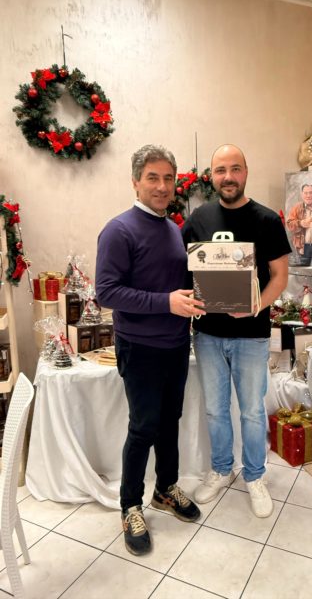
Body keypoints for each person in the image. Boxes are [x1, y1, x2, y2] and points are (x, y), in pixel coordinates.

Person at [95, 144, 206, 556]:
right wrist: (166, 302)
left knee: (169, 421)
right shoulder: (118, 230)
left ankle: (165, 489)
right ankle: (130, 505)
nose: (162, 186)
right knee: (143, 427)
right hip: (139, 347)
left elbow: (177, 285)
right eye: (153, 178)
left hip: (176, 345)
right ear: (135, 182)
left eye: (168, 178)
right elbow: (107, 292)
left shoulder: (174, 229)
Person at [182, 144, 291, 518]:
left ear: (246, 172)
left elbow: (280, 277)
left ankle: (255, 476)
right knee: (215, 410)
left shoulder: (267, 220)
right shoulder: (197, 220)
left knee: (252, 412)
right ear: (211, 176)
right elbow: (184, 271)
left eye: (235, 169)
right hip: (207, 335)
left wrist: (255, 305)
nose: (228, 177)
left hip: (252, 335)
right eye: (220, 170)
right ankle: (221, 468)